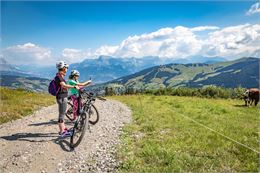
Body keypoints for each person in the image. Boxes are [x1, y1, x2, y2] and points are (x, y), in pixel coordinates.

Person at [55, 61, 80, 138]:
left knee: (62, 113)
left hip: (63, 97)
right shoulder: (59, 77)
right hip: (62, 97)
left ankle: (64, 129)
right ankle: (62, 132)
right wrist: (74, 87)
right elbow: (64, 85)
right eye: (66, 68)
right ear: (62, 68)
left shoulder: (60, 76)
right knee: (62, 115)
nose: (67, 69)